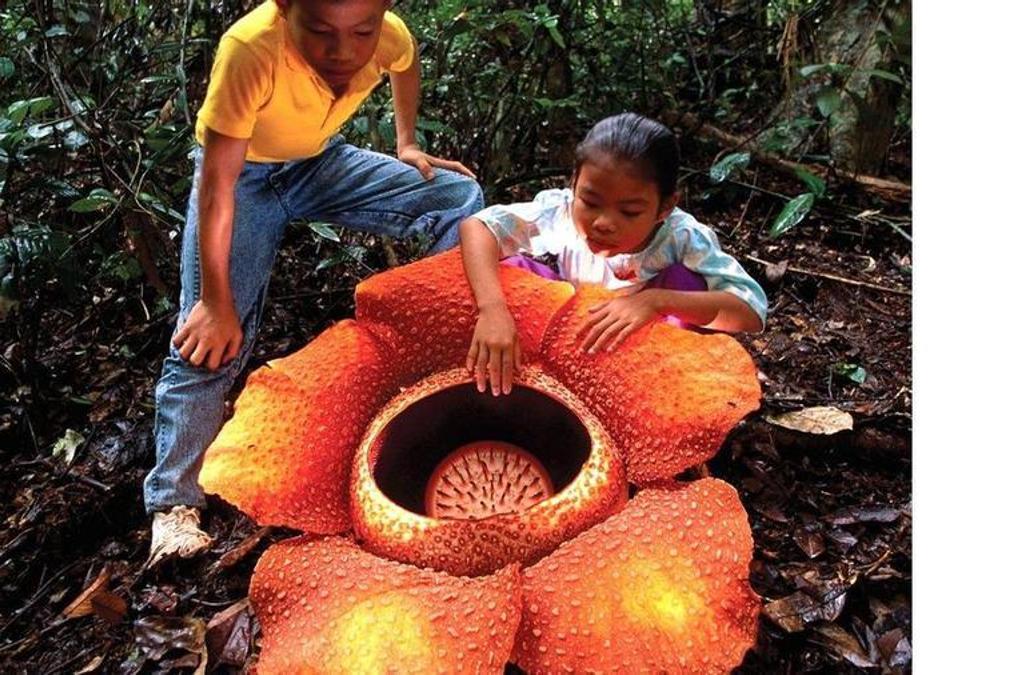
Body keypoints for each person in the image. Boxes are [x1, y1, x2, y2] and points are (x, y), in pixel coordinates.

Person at [144, 0, 483, 567]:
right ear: (285, 10)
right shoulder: (250, 49)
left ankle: (437, 356)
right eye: (321, 31)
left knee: (457, 200)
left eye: (362, 32)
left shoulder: (388, 35)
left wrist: (406, 142)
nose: (343, 51)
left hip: (317, 162)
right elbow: (219, 187)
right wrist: (215, 301)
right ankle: (173, 508)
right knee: (207, 340)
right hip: (244, 180)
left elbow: (406, 61)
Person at [460, 112, 767, 397]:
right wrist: (493, 309)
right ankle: (513, 380)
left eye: (629, 212)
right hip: (572, 342)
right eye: (590, 202)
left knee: (685, 281)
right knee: (513, 270)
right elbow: (479, 226)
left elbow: (750, 311)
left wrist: (655, 301)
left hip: (649, 358)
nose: (603, 223)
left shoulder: (682, 237)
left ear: (665, 207)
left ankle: (661, 399)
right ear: (573, 184)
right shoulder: (559, 211)